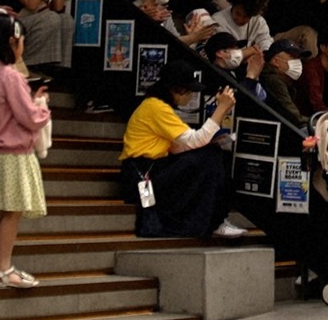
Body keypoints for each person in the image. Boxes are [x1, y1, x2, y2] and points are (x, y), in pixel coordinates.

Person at [118, 62, 243, 238]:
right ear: (177, 89)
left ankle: (213, 220)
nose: (191, 96)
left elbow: (182, 145)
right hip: (143, 176)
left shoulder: (157, 106)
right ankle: (210, 222)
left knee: (210, 156)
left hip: (149, 171)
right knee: (209, 158)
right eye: (190, 91)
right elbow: (195, 139)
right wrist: (221, 109)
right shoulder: (156, 107)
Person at [0, 13, 51, 288]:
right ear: (12, 41)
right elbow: (29, 116)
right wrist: (40, 104)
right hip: (14, 153)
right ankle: (3, 268)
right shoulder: (10, 76)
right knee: (12, 213)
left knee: (8, 212)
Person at [258, 39, 308, 124]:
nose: (298, 62)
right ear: (276, 61)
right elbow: (295, 118)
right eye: (293, 57)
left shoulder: (287, 82)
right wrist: (325, 122)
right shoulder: (273, 80)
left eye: (299, 58)